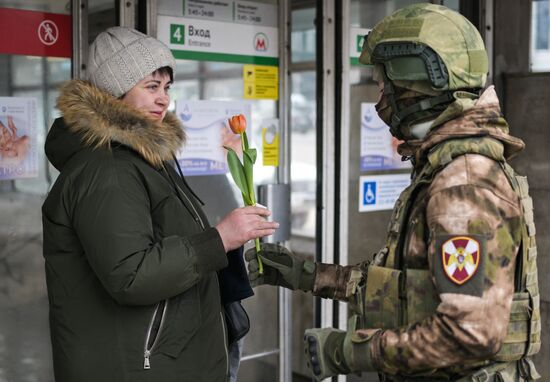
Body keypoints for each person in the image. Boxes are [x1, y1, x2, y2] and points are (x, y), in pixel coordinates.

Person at [246, 4, 541, 381]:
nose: (379, 99)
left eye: (384, 85)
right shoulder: (445, 169)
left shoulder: (464, 183)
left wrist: (350, 352)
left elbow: (470, 333)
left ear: (413, 84)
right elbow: (403, 290)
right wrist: (303, 274)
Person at [42, 26, 278, 382]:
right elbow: (131, 275)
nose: (164, 99)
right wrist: (220, 238)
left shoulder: (142, 157)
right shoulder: (108, 169)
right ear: (114, 93)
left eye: (166, 87)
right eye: (151, 87)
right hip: (140, 365)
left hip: (161, 358)